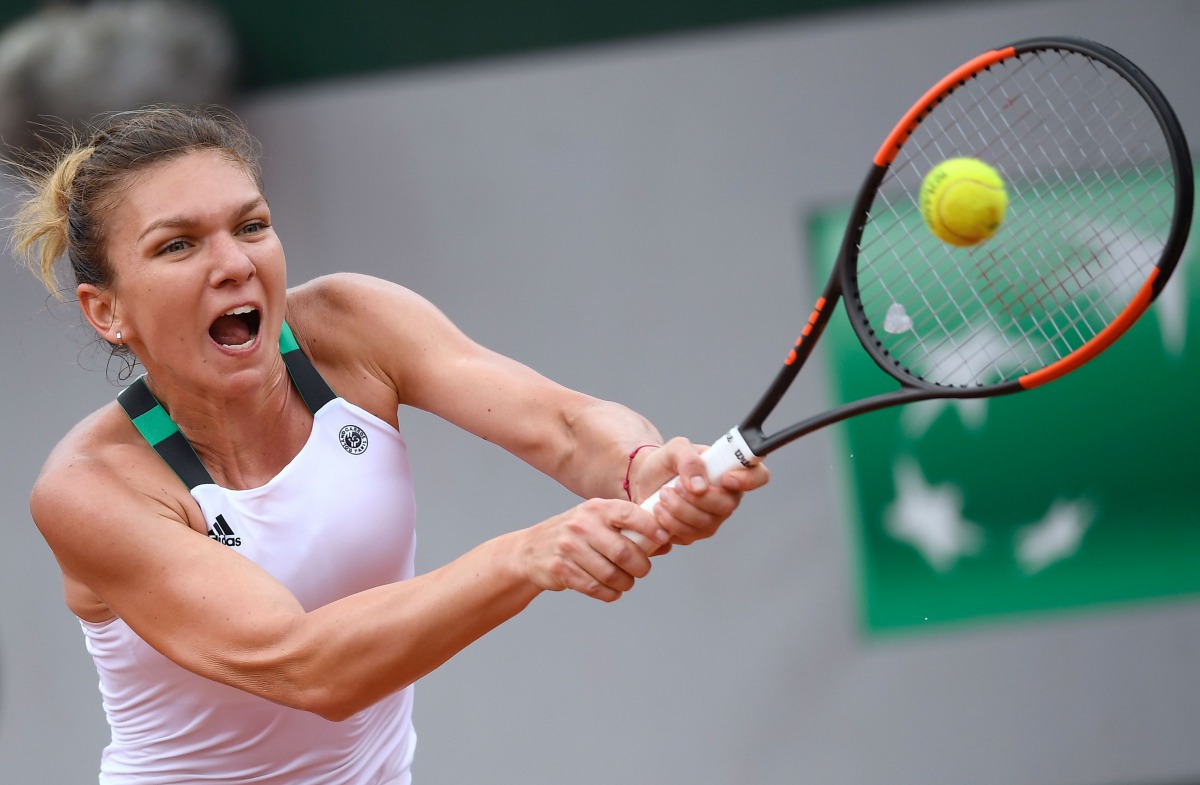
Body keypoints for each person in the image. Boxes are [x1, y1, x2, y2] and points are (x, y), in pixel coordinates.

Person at [9, 105, 769, 784]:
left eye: (250, 226)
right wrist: (525, 556)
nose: (234, 263)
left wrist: (641, 467)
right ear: (106, 311)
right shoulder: (89, 490)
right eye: (179, 246)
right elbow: (308, 666)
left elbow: (568, 427)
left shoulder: (352, 325)